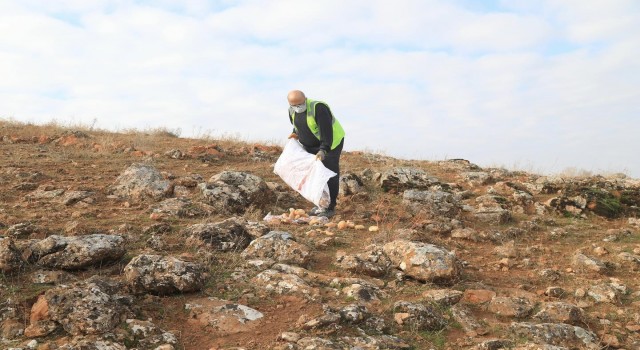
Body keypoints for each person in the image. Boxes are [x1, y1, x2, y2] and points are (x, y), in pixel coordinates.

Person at [287, 90, 345, 218]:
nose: (297, 108)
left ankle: (330, 207)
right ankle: (321, 204)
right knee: (316, 175)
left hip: (331, 143)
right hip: (311, 146)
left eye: (300, 104)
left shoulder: (318, 108)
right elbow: (297, 124)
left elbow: (326, 131)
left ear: (305, 99)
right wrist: (295, 133)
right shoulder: (291, 110)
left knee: (329, 173)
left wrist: (324, 149)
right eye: (294, 105)